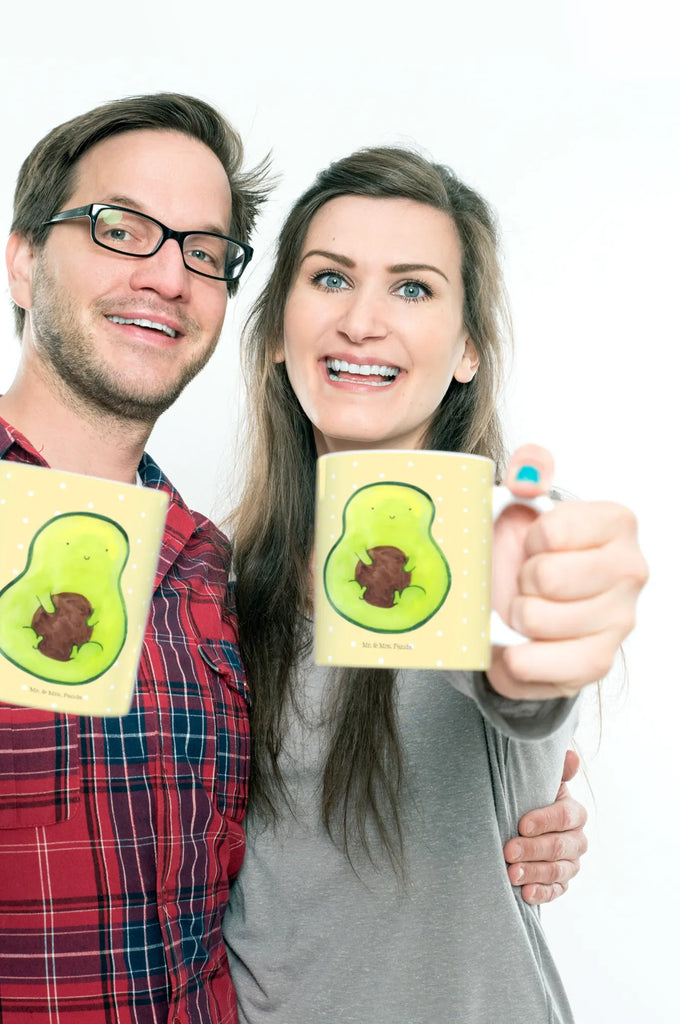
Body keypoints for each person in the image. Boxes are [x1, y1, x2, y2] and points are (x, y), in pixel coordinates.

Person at [0, 94, 606, 1024]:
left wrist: (533, 756)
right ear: (24, 261)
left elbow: (500, 688)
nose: (166, 275)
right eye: (121, 228)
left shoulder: (207, 571)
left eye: (202, 251)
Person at [222, 146, 647, 1022]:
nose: (362, 322)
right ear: (275, 332)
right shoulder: (218, 583)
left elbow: (524, 683)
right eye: (331, 279)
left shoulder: (498, 544)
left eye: (412, 288)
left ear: (466, 352)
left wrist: (542, 641)